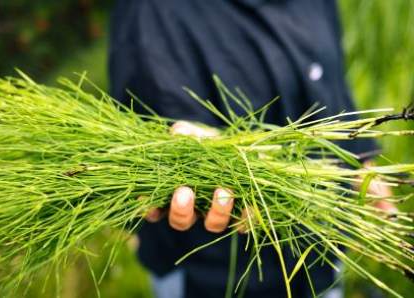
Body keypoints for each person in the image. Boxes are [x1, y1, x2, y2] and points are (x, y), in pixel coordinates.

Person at [108, 1, 395, 297]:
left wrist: (361, 161)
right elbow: (166, 134)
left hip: (321, 252)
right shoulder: (152, 12)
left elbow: (329, 78)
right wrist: (201, 155)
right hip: (219, 277)